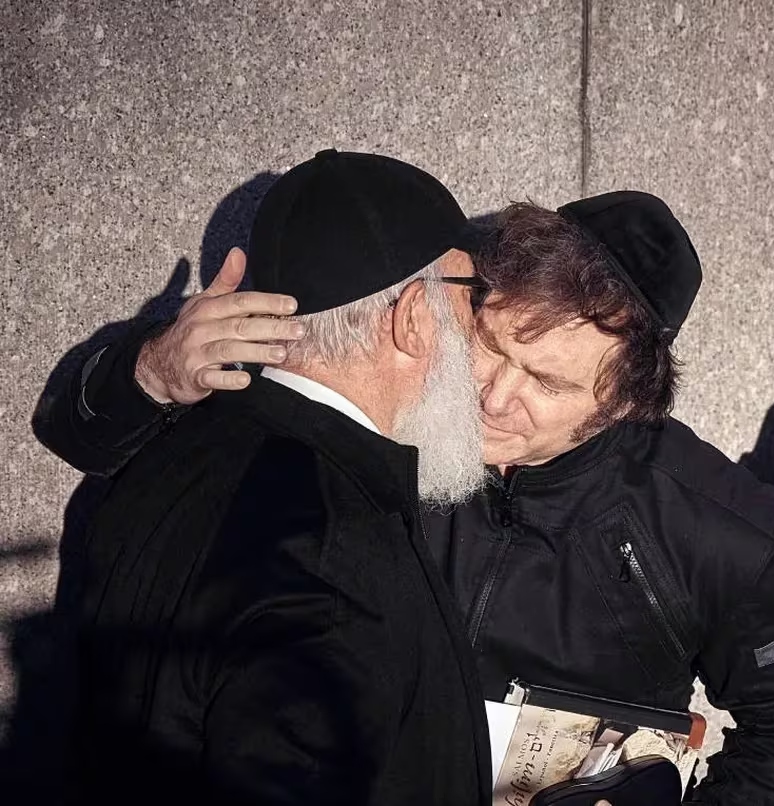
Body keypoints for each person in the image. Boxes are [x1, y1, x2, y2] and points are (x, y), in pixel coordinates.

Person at [36, 190, 774, 803]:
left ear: (624, 405)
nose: (495, 397)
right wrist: (148, 370)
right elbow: (78, 433)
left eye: (548, 383)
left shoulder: (716, 527)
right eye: (491, 348)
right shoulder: (383, 407)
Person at [60, 150, 494, 804]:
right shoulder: (334, 561)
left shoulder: (173, 448)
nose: (477, 327)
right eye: (470, 295)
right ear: (414, 317)